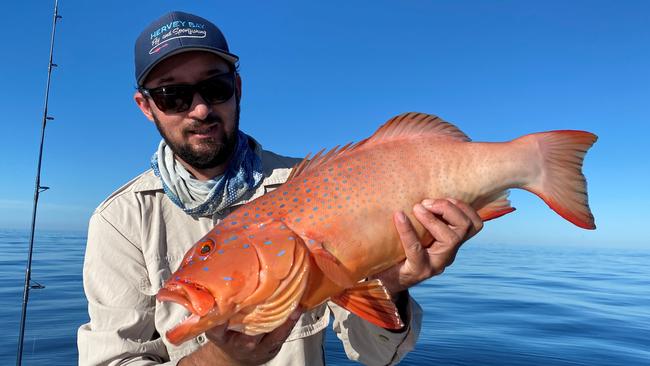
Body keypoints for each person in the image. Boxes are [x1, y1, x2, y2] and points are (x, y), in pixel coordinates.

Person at [77, 11, 483, 366]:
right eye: (173, 95)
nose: (200, 109)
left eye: (214, 88)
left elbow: (377, 356)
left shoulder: (304, 185)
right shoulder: (120, 222)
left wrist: (392, 287)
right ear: (146, 106)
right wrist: (223, 359)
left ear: (237, 87)